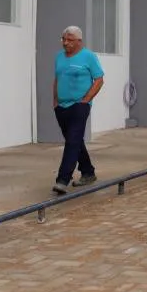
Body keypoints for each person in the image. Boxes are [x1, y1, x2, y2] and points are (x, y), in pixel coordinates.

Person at [52, 26, 104, 194]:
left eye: (70, 40)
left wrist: (86, 100)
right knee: (75, 140)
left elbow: (99, 79)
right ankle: (88, 172)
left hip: (79, 105)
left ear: (79, 41)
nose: (65, 43)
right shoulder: (59, 57)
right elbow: (57, 79)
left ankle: (62, 179)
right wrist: (55, 101)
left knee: (72, 141)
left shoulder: (88, 56)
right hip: (61, 106)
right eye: (63, 39)